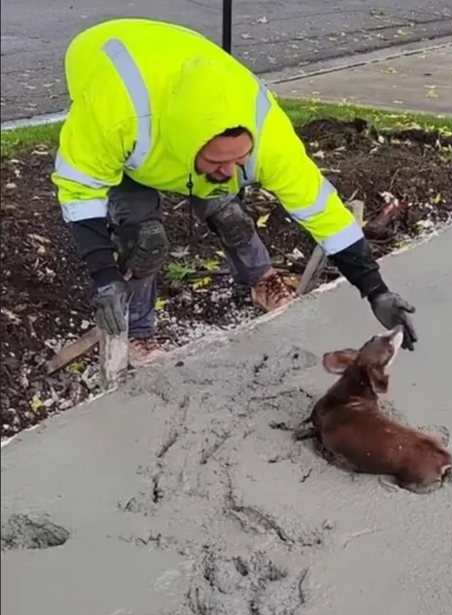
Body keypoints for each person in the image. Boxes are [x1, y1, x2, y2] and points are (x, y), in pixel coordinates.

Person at [52, 18, 418, 367]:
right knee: (145, 239)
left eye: (239, 161)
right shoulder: (116, 112)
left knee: (230, 214)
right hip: (121, 104)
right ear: (187, 146)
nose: (230, 172)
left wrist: (375, 289)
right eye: (217, 163)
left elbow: (322, 210)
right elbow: (80, 193)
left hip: (181, 107)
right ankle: (139, 331)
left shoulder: (267, 135)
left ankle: (262, 282)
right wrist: (105, 278)